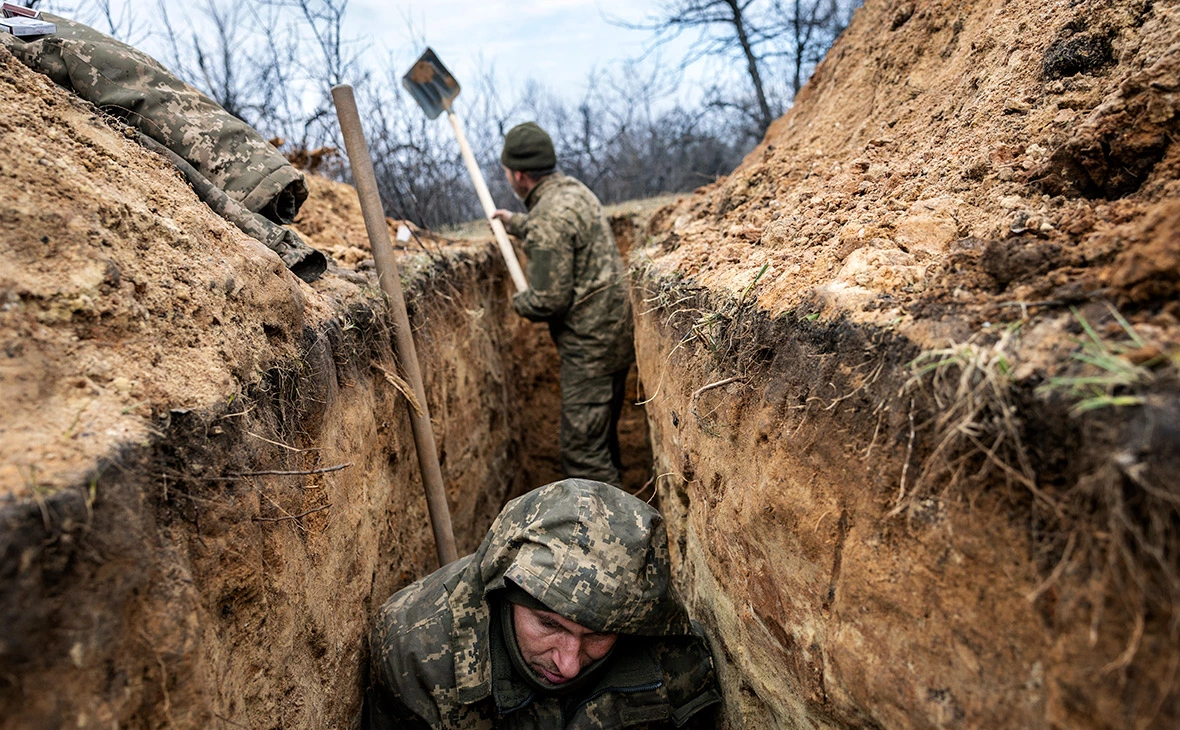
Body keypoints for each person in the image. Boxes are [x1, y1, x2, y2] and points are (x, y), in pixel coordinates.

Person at [367, 479, 721, 729]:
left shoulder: (676, 661)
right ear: (503, 593)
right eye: (549, 625)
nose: (568, 666)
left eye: (598, 635)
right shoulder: (416, 655)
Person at [492, 124, 634, 487]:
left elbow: (548, 301)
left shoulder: (549, 218)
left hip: (590, 349)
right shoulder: (574, 192)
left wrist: (518, 302)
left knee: (584, 454)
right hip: (614, 334)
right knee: (600, 437)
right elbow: (560, 231)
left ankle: (612, 539)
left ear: (520, 175)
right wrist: (518, 224)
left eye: (508, 172)